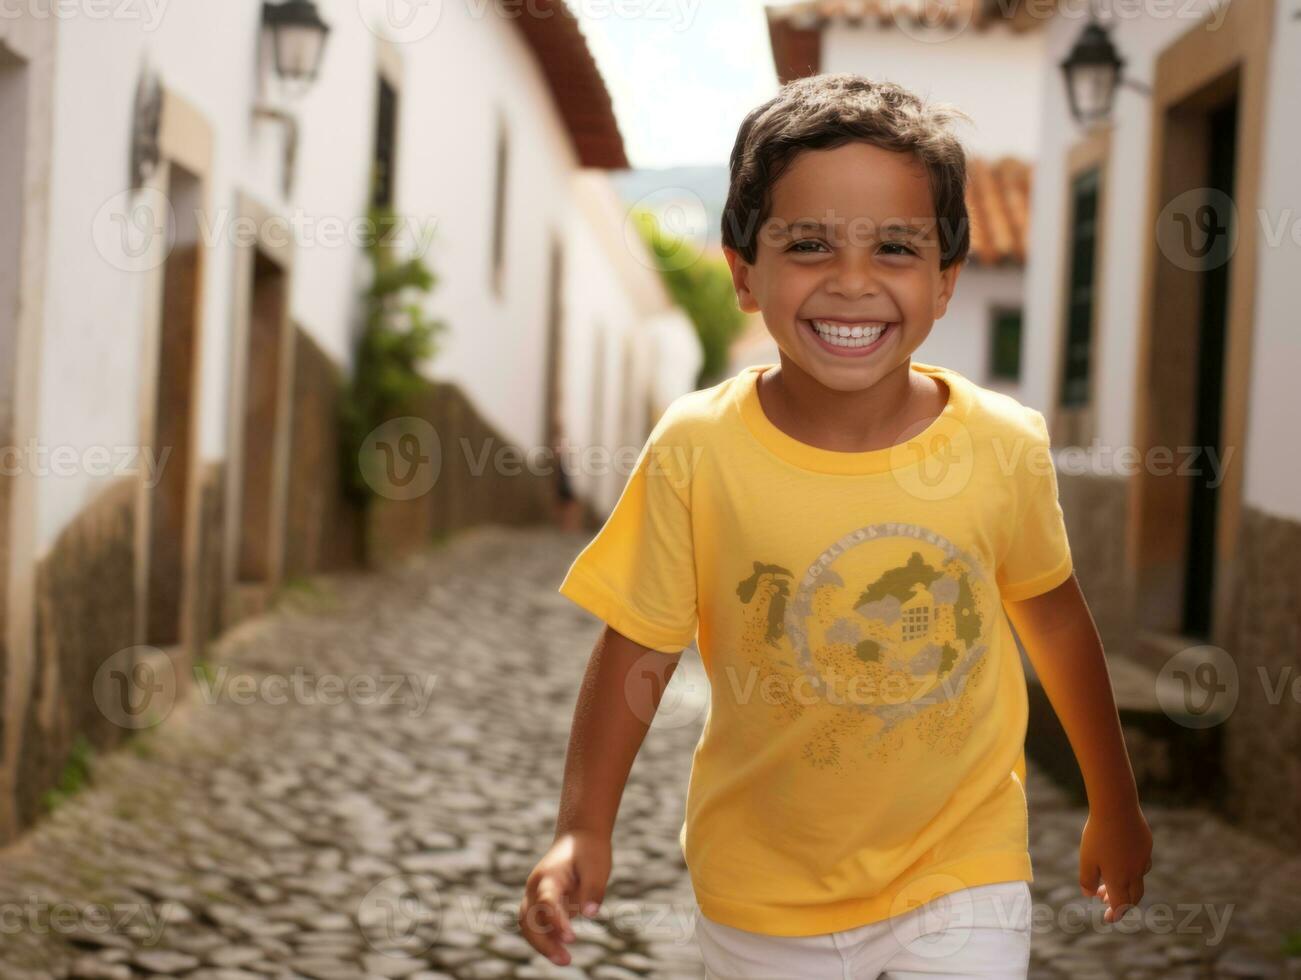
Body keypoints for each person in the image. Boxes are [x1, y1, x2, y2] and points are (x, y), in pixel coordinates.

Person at [519, 73, 1152, 978]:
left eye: (894, 248)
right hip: (762, 887)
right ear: (744, 273)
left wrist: (1113, 802)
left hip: (959, 870)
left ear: (944, 283)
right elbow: (639, 650)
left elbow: (1053, 623)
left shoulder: (1001, 444)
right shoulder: (698, 445)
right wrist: (582, 827)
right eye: (808, 245)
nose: (851, 284)